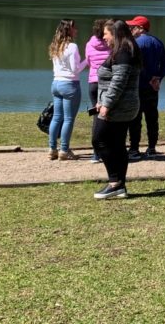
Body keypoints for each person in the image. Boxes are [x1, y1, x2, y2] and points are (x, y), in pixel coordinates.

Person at [92, 19, 142, 199]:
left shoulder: (123, 53)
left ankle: (114, 182)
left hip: (118, 108)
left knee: (99, 140)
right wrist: (101, 100)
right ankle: (120, 185)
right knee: (117, 144)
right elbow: (110, 82)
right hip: (121, 106)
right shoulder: (124, 51)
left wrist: (107, 104)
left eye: (105, 33)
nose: (103, 37)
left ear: (115, 34)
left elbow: (118, 82)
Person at [126, 15, 165, 160]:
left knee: (134, 119)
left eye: (133, 27)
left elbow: (135, 65)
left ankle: (134, 149)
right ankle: (151, 148)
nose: (130, 29)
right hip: (152, 87)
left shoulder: (135, 43)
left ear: (140, 28)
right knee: (152, 118)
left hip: (138, 86)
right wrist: (158, 77)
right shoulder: (158, 42)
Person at [47, 19, 89, 161]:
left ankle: (52, 148)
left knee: (57, 117)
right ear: (68, 30)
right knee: (69, 119)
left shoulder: (55, 45)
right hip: (70, 84)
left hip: (56, 83)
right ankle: (64, 150)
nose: (76, 30)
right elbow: (75, 69)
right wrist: (87, 61)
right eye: (74, 28)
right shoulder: (72, 47)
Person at [85, 19, 110, 163]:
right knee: (109, 116)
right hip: (107, 84)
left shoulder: (89, 44)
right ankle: (108, 150)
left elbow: (88, 62)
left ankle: (95, 153)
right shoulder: (111, 44)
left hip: (93, 82)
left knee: (96, 116)